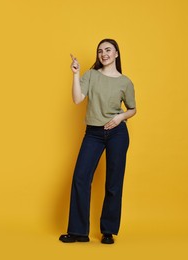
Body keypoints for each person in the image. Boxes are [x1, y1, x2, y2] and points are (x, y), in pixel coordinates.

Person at [59, 39, 136, 244]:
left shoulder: (125, 82)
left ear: (117, 54)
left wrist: (120, 117)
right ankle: (78, 232)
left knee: (113, 182)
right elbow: (77, 99)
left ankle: (108, 231)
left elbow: (132, 109)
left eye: (108, 50)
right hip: (93, 133)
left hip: (117, 133)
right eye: (100, 51)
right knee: (80, 178)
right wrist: (75, 74)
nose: (104, 54)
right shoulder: (91, 75)